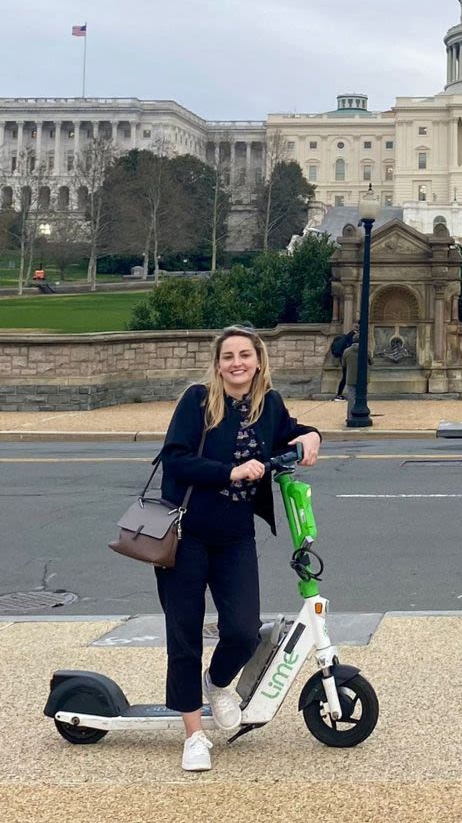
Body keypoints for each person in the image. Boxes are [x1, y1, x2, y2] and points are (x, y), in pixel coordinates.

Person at [157, 324, 321, 772]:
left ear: (258, 360)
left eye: (244, 355)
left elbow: (291, 431)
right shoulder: (197, 400)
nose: (237, 363)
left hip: (234, 536)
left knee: (244, 631)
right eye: (228, 356)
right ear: (217, 364)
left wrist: (313, 436)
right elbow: (175, 457)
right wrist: (228, 473)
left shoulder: (268, 404)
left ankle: (218, 682)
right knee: (185, 635)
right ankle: (194, 736)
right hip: (185, 535)